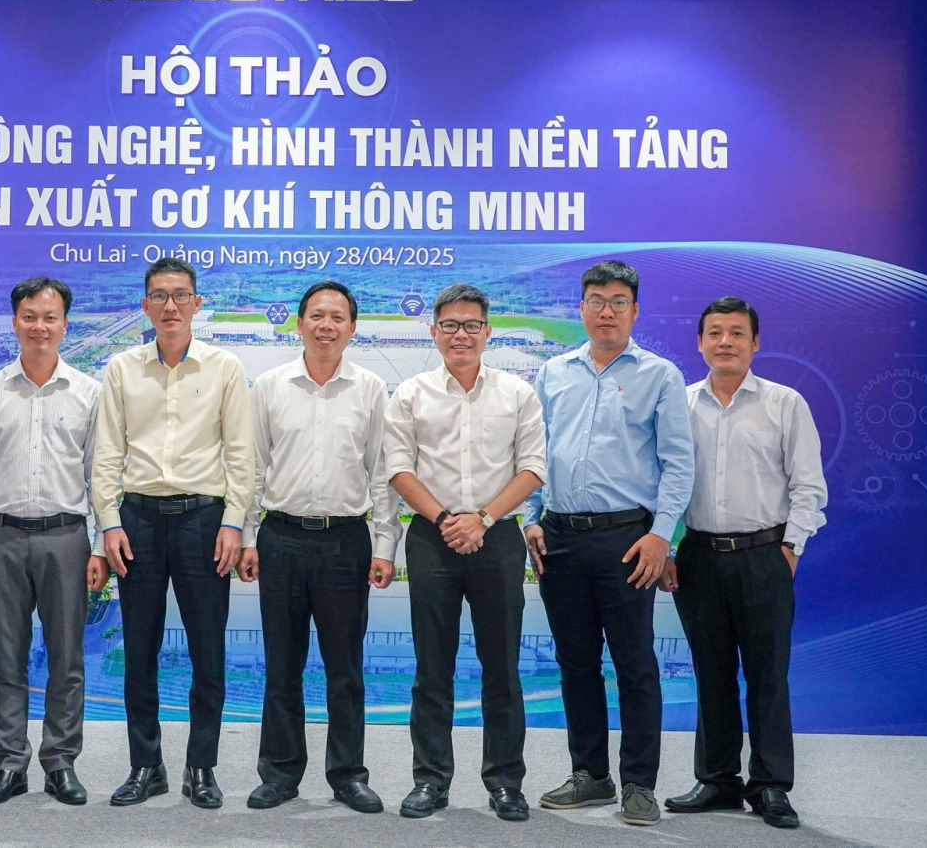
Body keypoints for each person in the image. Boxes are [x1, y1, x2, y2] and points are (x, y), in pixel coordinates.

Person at [524, 259, 694, 826]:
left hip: (628, 539)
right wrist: (530, 519)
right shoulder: (553, 373)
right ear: (581, 308)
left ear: (635, 311)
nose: (606, 311)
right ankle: (590, 774)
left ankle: (639, 783)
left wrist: (661, 536)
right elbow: (534, 453)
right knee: (576, 663)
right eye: (596, 301)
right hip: (558, 536)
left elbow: (678, 464)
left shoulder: (660, 375)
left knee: (635, 664)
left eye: (618, 302)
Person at [92, 257, 253, 809]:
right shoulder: (122, 368)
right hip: (137, 521)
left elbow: (242, 455)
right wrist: (109, 523)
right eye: (159, 296)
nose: (170, 306)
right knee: (139, 650)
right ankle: (146, 765)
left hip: (204, 522)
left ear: (197, 304)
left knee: (208, 650)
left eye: (181, 295)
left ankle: (201, 767)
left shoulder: (224, 367)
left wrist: (234, 521)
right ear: (145, 305)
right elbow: (106, 455)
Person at [661, 297, 826, 830]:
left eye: (736, 333)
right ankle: (717, 781)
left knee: (767, 675)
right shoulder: (679, 405)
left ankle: (771, 785)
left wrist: (791, 548)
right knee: (710, 673)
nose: (725, 342)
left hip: (764, 555)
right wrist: (667, 547)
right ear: (699, 343)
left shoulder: (785, 403)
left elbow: (808, 486)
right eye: (715, 332)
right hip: (697, 557)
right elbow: (663, 482)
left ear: (755, 343)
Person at [384, 283, 547, 822]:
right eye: (450, 325)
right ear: (433, 332)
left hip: (496, 536)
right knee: (433, 667)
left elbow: (533, 467)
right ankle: (430, 780)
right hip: (432, 536)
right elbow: (398, 468)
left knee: (502, 667)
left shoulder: (516, 393)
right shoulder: (411, 394)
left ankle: (505, 782)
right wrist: (446, 519)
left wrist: (484, 518)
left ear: (487, 331)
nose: (461, 334)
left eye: (471, 325)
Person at [239, 280, 399, 815]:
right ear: (299, 323)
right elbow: (252, 467)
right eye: (316, 316)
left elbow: (383, 473)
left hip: (345, 541)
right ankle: (280, 774)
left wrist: (385, 544)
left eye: (337, 317)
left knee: (344, 668)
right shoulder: (270, 385)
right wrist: (248, 535)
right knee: (282, 665)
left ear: (352, 328)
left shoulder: (370, 388)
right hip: (281, 537)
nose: (326, 326)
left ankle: (348, 775)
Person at [0, 276, 105, 807]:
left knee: (67, 658)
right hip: (2, 537)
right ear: (14, 321)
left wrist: (100, 546)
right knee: (7, 657)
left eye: (50, 317)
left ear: (65, 324)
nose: (39, 326)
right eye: (29, 316)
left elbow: (99, 475)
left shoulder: (89, 393)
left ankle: (61, 762)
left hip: (66, 537)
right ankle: (10, 764)